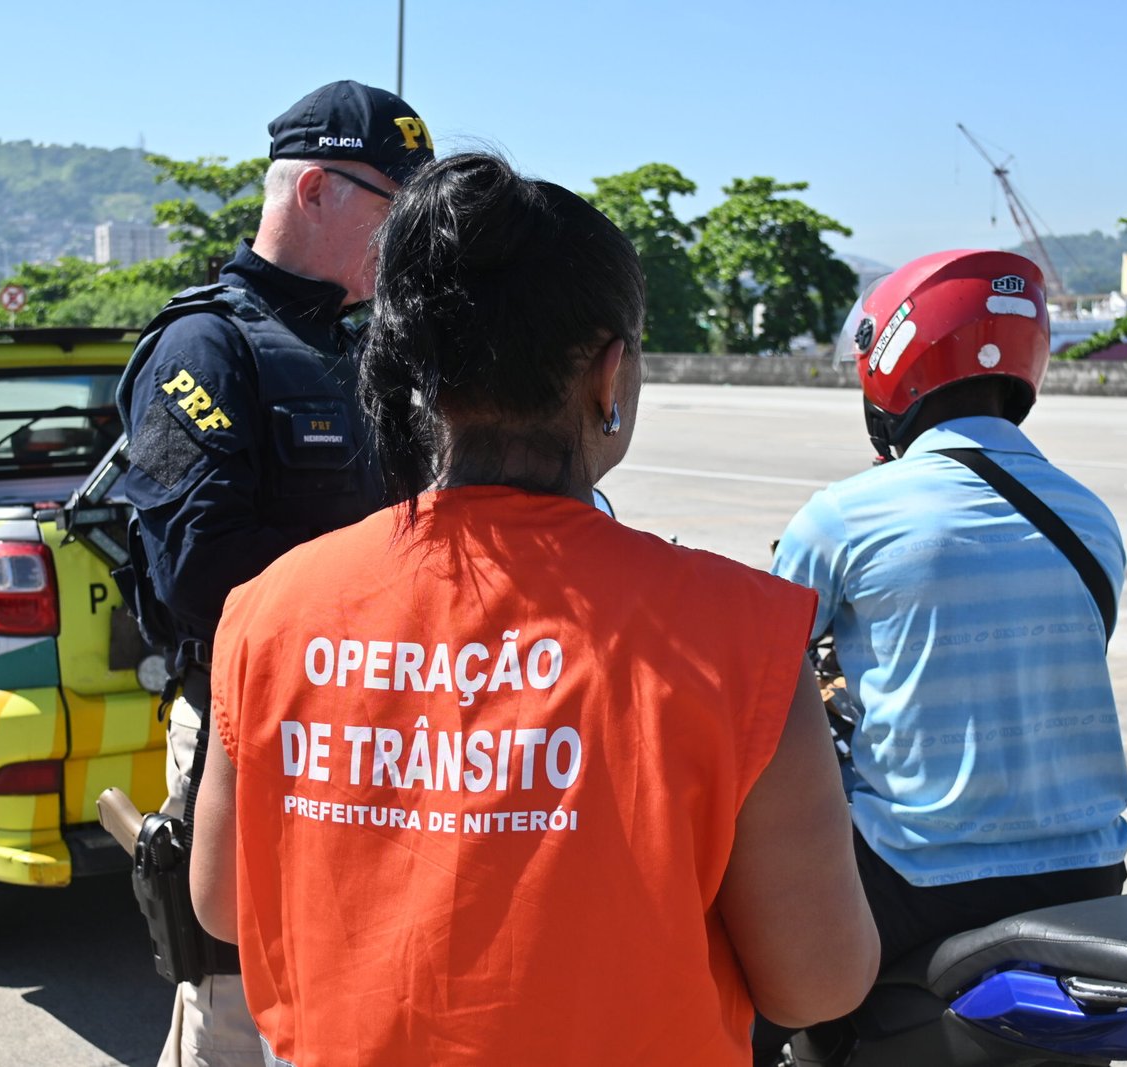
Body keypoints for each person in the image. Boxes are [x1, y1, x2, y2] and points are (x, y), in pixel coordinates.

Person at [189, 153, 880, 1066]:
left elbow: (223, 904)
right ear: (608, 374)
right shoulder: (740, 636)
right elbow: (817, 981)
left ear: (408, 368)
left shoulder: (272, 610)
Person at [117, 80, 434, 1067]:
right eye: (397, 206)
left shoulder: (366, 352)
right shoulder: (202, 346)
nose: (410, 237)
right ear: (314, 192)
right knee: (238, 1010)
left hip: (375, 736)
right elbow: (201, 570)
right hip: (247, 737)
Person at [755, 249, 1127, 1061]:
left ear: (894, 363)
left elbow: (755, 671)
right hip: (1094, 875)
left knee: (731, 977)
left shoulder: (847, 514)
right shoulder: (1093, 517)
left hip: (918, 878)